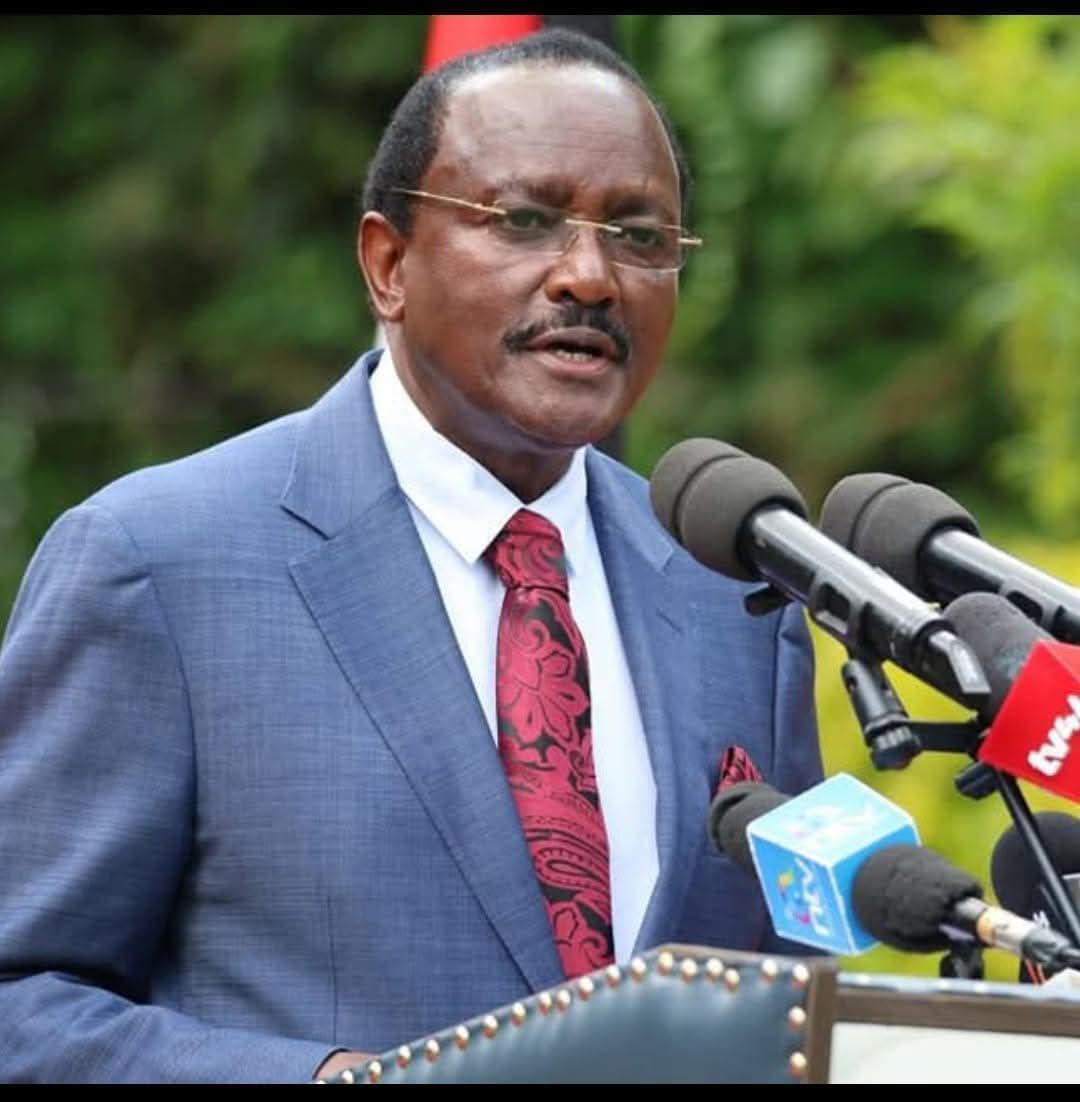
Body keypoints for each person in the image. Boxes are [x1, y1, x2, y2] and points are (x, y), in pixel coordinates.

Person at [0, 28, 822, 1084]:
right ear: (389, 265)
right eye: (524, 220)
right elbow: (21, 1002)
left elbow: (796, 1007)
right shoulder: (159, 567)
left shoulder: (732, 587)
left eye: (639, 235)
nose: (590, 276)